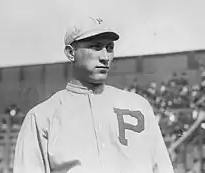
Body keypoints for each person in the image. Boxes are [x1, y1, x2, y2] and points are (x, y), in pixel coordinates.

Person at [13, 16, 174, 173]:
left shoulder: (138, 105)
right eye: (96, 47)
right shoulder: (42, 117)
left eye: (109, 48)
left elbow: (161, 166)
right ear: (70, 53)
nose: (105, 57)